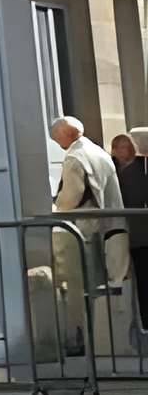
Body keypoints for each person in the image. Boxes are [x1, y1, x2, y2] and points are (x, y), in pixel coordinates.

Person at [47, 117, 129, 353]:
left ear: (67, 134)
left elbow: (70, 198)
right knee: (103, 284)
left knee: (76, 284)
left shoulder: (74, 158)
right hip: (108, 224)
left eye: (56, 136)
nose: (55, 141)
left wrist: (53, 207)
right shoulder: (98, 152)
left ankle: (78, 338)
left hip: (82, 229)